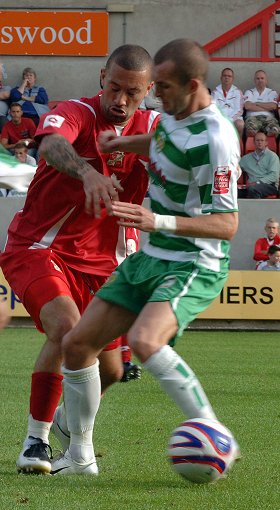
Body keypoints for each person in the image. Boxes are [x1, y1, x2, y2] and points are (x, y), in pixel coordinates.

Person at [50, 38, 240, 476]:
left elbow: (228, 225)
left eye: (165, 87)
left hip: (193, 260)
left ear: (193, 85)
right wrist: (120, 142)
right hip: (149, 257)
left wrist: (158, 222)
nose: (156, 96)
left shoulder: (217, 139)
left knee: (145, 341)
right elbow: (159, 140)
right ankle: (79, 458)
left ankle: (212, 433)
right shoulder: (174, 118)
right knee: (77, 345)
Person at [0, 44, 159, 474]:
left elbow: (190, 151)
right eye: (114, 88)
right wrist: (88, 171)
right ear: (101, 78)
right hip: (40, 246)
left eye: (132, 93)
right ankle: (36, 441)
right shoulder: (76, 112)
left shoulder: (155, 128)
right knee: (67, 329)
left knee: (108, 369)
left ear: (148, 91)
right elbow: (50, 144)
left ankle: (71, 423)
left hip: (105, 263)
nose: (120, 101)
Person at [238, 131, 280, 198]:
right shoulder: (246, 158)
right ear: (254, 142)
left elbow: (274, 176)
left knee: (253, 190)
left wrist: (258, 182)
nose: (259, 142)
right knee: (235, 192)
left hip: (270, 185)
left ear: (266, 142)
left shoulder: (272, 156)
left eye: (262, 140)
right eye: (257, 140)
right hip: (251, 187)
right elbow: (236, 167)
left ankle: (255, 208)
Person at [244, 70, 279, 137]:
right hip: (252, 118)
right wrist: (266, 107)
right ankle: (252, 145)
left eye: (262, 78)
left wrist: (257, 103)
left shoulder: (272, 92)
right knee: (250, 130)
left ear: (266, 80)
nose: (260, 80)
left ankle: (269, 145)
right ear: (254, 80)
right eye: (258, 78)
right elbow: (248, 106)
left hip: (269, 118)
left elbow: (273, 106)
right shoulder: (249, 92)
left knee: (274, 130)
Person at [211, 67, 244, 138]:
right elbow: (213, 109)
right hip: (220, 118)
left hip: (234, 119)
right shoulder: (215, 92)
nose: (226, 78)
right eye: (224, 76)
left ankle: (238, 146)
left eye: (229, 76)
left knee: (240, 124)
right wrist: (222, 119)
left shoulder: (238, 92)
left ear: (233, 78)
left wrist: (230, 120)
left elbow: (239, 110)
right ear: (221, 77)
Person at [0, 63, 11, 132]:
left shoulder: (7, 88)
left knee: (5, 124)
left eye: (0, 74)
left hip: (1, 117)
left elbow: (5, 95)